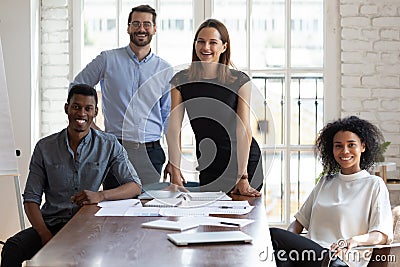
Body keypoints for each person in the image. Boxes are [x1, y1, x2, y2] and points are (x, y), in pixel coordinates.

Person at [0, 84, 142, 267]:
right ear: (67, 108)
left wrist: (101, 195)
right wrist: (46, 236)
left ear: (95, 112)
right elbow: (30, 200)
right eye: (76, 107)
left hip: (89, 226)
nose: (81, 113)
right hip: (51, 224)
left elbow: (134, 185)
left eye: (88, 108)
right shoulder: (44, 147)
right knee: (12, 247)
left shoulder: (109, 144)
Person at [70, 5, 173, 189]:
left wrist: (174, 159)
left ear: (154, 29)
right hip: (115, 149)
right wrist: (93, 129)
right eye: (136, 23)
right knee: (114, 210)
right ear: (128, 28)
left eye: (147, 24)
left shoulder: (164, 70)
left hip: (151, 152)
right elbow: (76, 88)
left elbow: (169, 118)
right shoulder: (107, 59)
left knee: (148, 210)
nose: (141, 29)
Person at [269, 116, 393, 267]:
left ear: (363, 147)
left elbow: (380, 235)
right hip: (309, 257)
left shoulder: (374, 185)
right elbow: (299, 222)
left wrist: (353, 241)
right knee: (280, 259)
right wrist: (286, 244)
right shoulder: (325, 182)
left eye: (351, 145)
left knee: (273, 234)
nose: (345, 151)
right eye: (338, 146)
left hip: (340, 260)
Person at [164, 19, 263, 196]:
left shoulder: (239, 80)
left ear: (224, 47)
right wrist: (175, 166)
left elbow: (243, 130)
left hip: (244, 163)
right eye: (200, 41)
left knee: (242, 219)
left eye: (213, 42)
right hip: (209, 162)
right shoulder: (180, 80)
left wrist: (243, 176)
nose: (206, 47)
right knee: (210, 220)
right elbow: (173, 128)